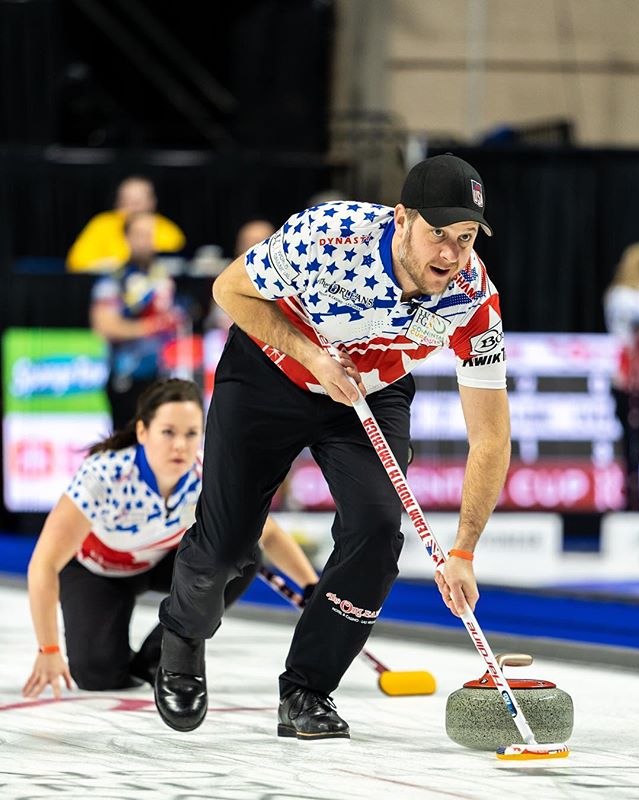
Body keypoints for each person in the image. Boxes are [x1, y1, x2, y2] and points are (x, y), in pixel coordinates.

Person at [154, 154, 511, 739]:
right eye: (436, 235)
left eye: (465, 238)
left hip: (372, 391)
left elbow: (492, 435)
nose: (449, 255)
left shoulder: (472, 299)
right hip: (272, 370)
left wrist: (465, 549)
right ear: (401, 219)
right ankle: (183, 637)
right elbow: (229, 291)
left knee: (376, 529)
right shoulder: (328, 236)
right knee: (226, 545)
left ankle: (307, 689)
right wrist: (313, 356)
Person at [22, 379, 318, 700]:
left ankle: (161, 653)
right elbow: (44, 564)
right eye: (168, 432)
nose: (180, 445)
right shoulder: (104, 475)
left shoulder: (206, 474)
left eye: (191, 433)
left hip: (161, 563)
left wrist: (312, 588)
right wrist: (48, 648)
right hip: (97, 572)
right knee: (99, 674)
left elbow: (269, 534)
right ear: (142, 432)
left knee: (242, 551)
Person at [90, 210, 184, 429]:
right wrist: (151, 326)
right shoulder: (114, 279)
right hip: (126, 378)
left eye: (151, 234)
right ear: (127, 237)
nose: (147, 240)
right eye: (140, 234)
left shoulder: (163, 277)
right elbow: (104, 325)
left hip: (161, 378)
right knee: (127, 446)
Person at [67, 175, 185, 273]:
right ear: (117, 202)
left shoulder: (166, 229)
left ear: (152, 203)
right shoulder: (102, 224)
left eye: (137, 202)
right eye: (126, 202)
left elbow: (176, 265)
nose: (132, 209)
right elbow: (76, 263)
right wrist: (113, 266)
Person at [604, 243, 639, 510]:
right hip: (629, 376)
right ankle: (630, 493)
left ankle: (630, 489)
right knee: (630, 442)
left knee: (629, 441)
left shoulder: (617, 295)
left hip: (624, 375)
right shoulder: (624, 297)